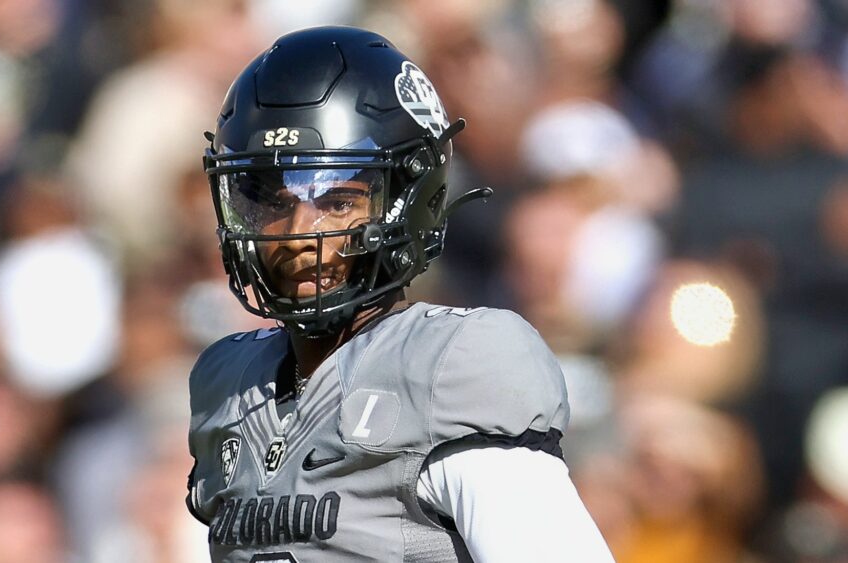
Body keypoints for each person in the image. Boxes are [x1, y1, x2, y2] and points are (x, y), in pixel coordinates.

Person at [186, 26, 614, 562]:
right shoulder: (227, 388)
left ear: (409, 201)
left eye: (337, 201)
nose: (298, 232)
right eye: (272, 200)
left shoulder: (447, 369)